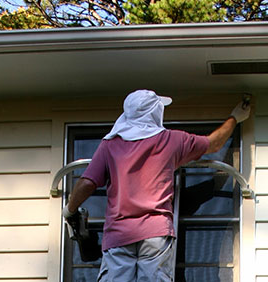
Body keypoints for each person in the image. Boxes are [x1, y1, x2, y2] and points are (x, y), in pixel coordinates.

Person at [63, 89, 250, 281]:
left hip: (119, 235)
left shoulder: (110, 145)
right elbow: (214, 143)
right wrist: (234, 118)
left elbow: (87, 183)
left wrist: (69, 210)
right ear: (154, 113)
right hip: (155, 234)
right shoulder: (172, 140)